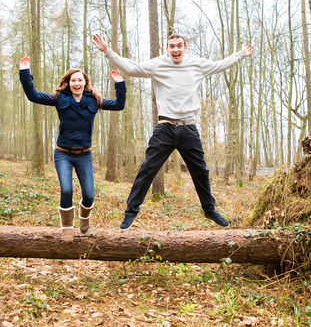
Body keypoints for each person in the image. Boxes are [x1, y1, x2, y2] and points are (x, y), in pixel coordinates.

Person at [91, 31, 255, 229]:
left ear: (185, 48)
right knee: (147, 169)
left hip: (189, 128)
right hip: (165, 128)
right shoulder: (158, 64)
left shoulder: (197, 64)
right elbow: (132, 68)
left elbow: (220, 65)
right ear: (167, 49)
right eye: (172, 46)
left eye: (179, 45)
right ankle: (130, 212)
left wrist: (240, 54)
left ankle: (210, 211)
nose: (176, 49)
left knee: (201, 171)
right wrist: (107, 51)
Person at [19, 57, 125, 239]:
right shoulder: (60, 98)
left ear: (85, 83)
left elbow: (119, 105)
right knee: (66, 190)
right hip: (63, 154)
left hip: (84, 155)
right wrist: (25, 72)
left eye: (80, 80)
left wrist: (120, 84)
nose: (76, 83)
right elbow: (33, 96)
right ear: (68, 83)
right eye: (73, 80)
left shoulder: (94, 100)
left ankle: (84, 217)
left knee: (89, 195)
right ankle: (67, 226)